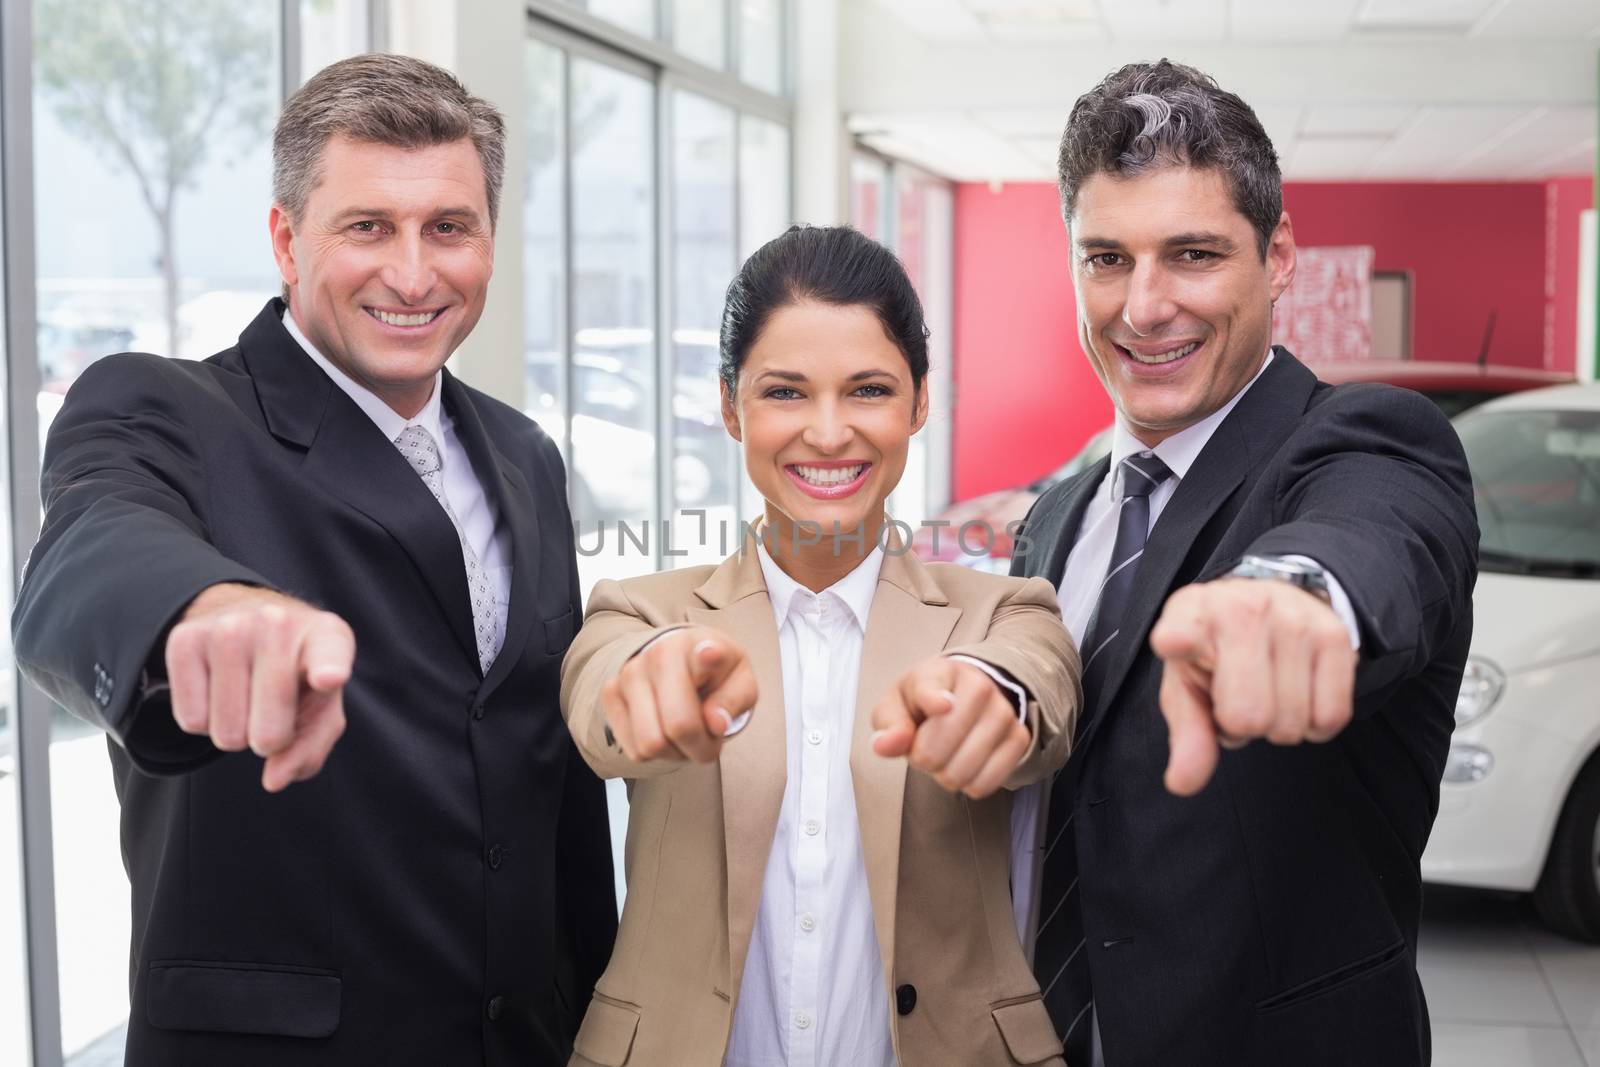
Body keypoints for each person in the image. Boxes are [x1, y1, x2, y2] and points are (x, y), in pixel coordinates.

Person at [12, 54, 615, 1066]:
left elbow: (545, 780)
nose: (414, 273)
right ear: (287, 240)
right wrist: (203, 604)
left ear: (490, 242)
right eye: (368, 226)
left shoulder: (524, 454)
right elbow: (90, 547)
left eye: (449, 228)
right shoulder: (166, 409)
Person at [1008, 59, 1479, 1066]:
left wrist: (1293, 594)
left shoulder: (1358, 443)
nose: (1143, 305)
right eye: (1105, 258)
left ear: (1278, 258)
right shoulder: (1053, 518)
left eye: (1191, 253)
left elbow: (1371, 532)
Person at [559, 225, 1082, 1067]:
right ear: (731, 407)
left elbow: (1037, 683)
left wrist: (989, 695)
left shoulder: (1003, 613)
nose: (830, 432)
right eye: (786, 393)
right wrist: (641, 682)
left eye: (869, 390)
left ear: (918, 402)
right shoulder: (641, 611)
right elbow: (600, 696)